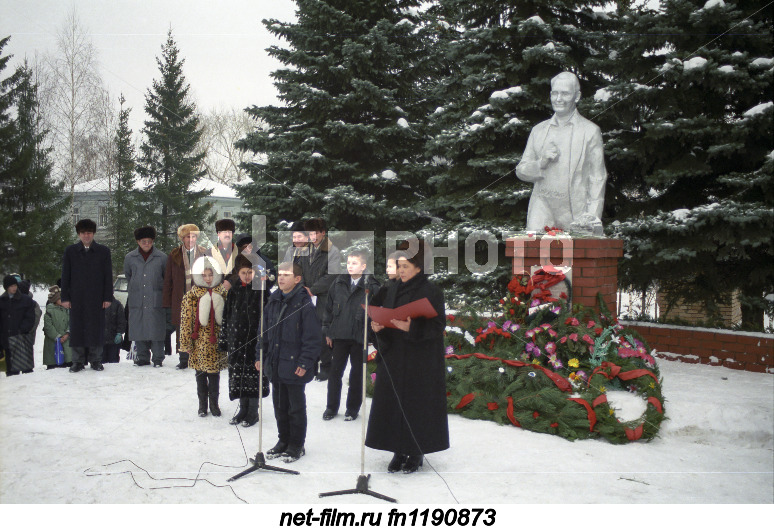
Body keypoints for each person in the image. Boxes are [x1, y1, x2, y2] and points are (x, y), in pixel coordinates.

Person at [366, 242, 449, 474]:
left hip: (419, 360)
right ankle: (397, 450)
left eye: (405, 266)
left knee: (416, 405)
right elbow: (382, 314)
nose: (401, 271)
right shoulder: (391, 289)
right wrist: (378, 326)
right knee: (393, 404)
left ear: (419, 267)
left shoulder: (432, 291)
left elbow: (437, 326)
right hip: (394, 356)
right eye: (399, 266)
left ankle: (415, 452)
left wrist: (410, 328)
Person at [515, 71, 607, 232]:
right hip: (542, 208)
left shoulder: (590, 131)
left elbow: (597, 177)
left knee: (580, 256)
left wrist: (592, 215)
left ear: (576, 96)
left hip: (576, 211)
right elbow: (521, 171)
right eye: (555, 93)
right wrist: (541, 163)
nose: (558, 99)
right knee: (534, 254)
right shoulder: (538, 130)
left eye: (565, 94)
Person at [257, 262, 322, 463]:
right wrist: (260, 355)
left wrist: (304, 363)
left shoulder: (304, 304)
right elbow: (264, 331)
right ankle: (283, 440)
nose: (281, 278)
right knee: (279, 405)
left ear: (297, 279)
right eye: (280, 274)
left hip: (294, 365)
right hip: (276, 363)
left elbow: (312, 338)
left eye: (287, 274)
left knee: (295, 407)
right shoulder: (273, 300)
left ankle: (296, 444)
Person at [321, 249, 380, 421]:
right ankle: (331, 407)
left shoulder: (372, 286)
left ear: (363, 265)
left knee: (357, 374)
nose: (350, 266)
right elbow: (329, 308)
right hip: (339, 335)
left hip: (359, 337)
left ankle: (352, 408)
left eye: (354, 263)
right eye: (348, 263)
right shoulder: (338, 282)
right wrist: (327, 330)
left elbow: (377, 311)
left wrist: (371, 334)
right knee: (335, 373)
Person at [219, 254, 274, 427]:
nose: (247, 276)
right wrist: (225, 339)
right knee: (239, 376)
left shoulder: (261, 291)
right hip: (236, 339)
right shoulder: (234, 291)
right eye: (244, 272)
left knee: (253, 376)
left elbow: (267, 318)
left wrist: (264, 341)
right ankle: (242, 409)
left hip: (254, 341)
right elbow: (226, 315)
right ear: (238, 273)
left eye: (250, 272)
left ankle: (252, 412)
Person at [61, 218, 113, 372]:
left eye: (89, 233)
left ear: (93, 234)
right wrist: (65, 297)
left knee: (96, 329)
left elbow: (107, 276)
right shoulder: (70, 251)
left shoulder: (103, 251)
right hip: (76, 297)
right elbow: (65, 276)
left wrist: (107, 297)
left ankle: (96, 360)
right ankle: (77, 361)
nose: (86, 236)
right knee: (77, 328)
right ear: (79, 234)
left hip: (97, 297)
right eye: (83, 233)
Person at [179, 256, 228, 417]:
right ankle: (202, 405)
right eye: (204, 275)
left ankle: (214, 404)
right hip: (198, 343)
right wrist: (186, 343)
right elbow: (186, 321)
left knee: (214, 375)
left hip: (216, 343)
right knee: (200, 374)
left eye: (211, 275)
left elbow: (227, 320)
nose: (208, 279)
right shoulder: (191, 296)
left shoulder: (223, 293)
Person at [162, 223, 207, 369]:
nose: (190, 239)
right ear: (182, 238)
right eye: (187, 236)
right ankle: (183, 358)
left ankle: (199, 357)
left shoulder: (204, 253)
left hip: (200, 297)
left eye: (193, 236)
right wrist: (167, 302)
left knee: (200, 328)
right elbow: (168, 279)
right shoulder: (174, 254)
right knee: (183, 329)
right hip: (180, 298)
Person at [302, 218, 342, 381]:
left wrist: (313, 289)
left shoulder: (333, 251)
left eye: (315, 233)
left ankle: (326, 366)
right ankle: (310, 364)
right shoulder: (305, 250)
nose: (312, 236)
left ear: (323, 233)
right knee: (308, 330)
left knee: (323, 331)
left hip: (324, 296)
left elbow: (332, 275)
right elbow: (300, 269)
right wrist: (303, 287)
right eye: (310, 233)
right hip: (307, 295)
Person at [124, 226, 167, 367]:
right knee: (139, 326)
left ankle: (158, 357)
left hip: (156, 298)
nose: (146, 244)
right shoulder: (130, 258)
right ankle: (142, 357)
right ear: (138, 242)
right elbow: (129, 276)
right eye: (143, 241)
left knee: (156, 328)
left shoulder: (162, 257)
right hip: (138, 297)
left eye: (149, 241)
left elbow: (165, 277)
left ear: (153, 241)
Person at [0, 275, 36, 375]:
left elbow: (30, 318)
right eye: (11, 286)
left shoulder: (25, 300)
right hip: (7, 341)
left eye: (15, 285)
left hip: (22, 340)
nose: (14, 288)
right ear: (6, 287)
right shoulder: (2, 301)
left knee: (26, 373)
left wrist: (21, 330)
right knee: (12, 373)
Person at [42, 285, 72, 369]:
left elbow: (71, 322)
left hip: (66, 341)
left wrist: (67, 333)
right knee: (54, 366)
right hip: (53, 343)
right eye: (60, 298)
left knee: (67, 363)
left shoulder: (67, 310)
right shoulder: (49, 311)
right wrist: (58, 337)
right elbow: (48, 326)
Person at [209, 218, 238, 291]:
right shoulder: (208, 253)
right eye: (224, 232)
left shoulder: (240, 253)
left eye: (230, 232)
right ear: (218, 234)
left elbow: (243, 270)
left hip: (235, 294)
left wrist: (230, 281)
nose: (227, 234)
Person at [101, 294, 126, 364]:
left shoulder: (117, 305)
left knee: (113, 364)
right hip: (100, 342)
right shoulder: (95, 303)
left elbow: (122, 321)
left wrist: (119, 333)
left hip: (114, 342)